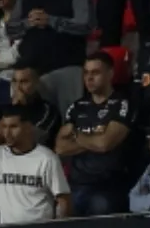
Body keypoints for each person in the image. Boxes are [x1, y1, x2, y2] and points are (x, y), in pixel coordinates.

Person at [57, 53, 134, 217]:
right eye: (86, 73)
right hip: (76, 183)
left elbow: (104, 144)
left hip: (107, 186)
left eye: (95, 73)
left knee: (101, 209)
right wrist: (94, 137)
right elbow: (61, 148)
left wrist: (76, 135)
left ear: (110, 74)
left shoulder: (122, 103)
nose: (89, 78)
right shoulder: (77, 107)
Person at [0, 105, 72, 225]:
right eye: (4, 127)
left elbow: (64, 201)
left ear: (28, 127)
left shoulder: (47, 158)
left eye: (13, 127)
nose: (7, 133)